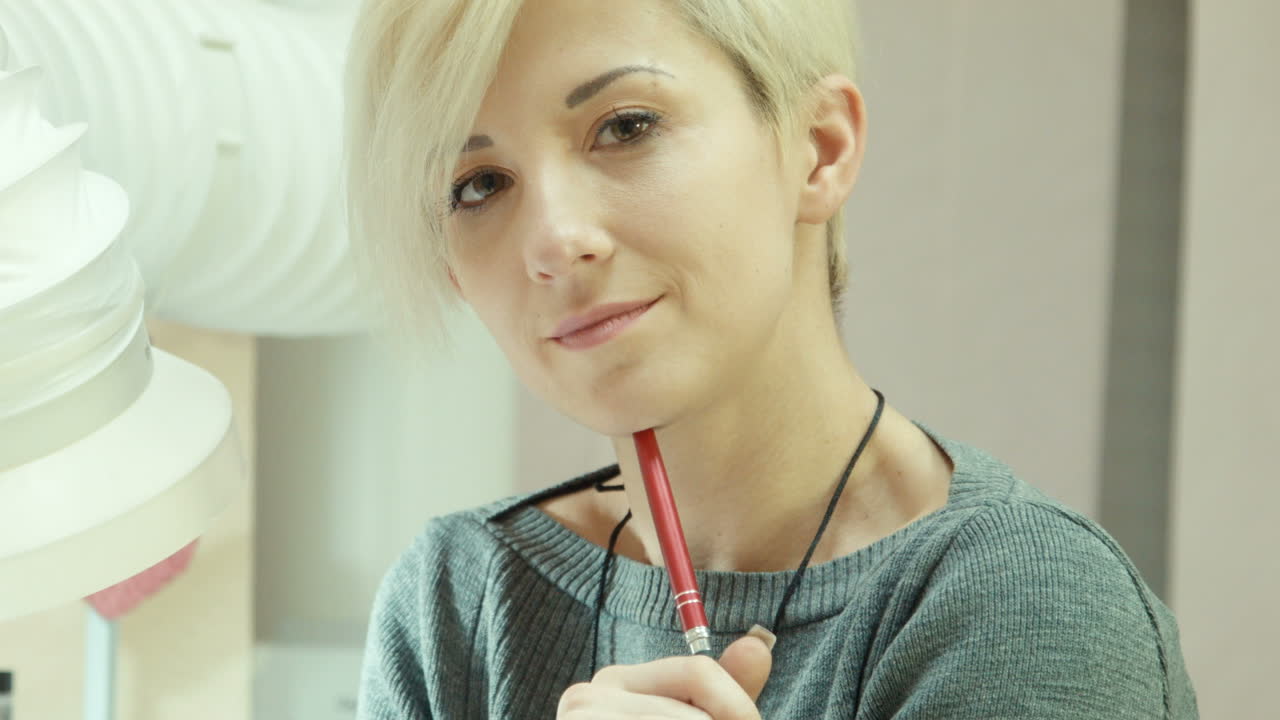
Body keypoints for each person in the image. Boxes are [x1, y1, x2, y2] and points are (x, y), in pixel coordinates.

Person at [343, 0, 1199, 717]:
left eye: (625, 126)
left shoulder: (1029, 611)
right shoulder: (455, 599)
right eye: (478, 184)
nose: (557, 241)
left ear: (820, 147)